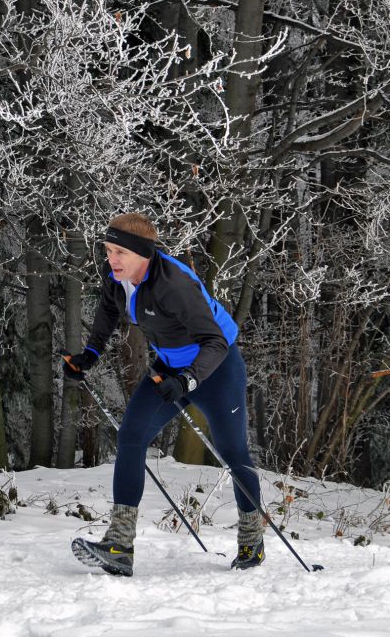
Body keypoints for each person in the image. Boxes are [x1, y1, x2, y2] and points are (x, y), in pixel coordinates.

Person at [64, 212, 264, 577]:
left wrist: (188, 381)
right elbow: (108, 312)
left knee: (233, 452)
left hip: (216, 368)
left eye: (120, 252)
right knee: (131, 437)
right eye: (108, 250)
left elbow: (215, 342)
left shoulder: (175, 285)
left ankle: (252, 541)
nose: (112, 259)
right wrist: (89, 355)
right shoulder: (118, 278)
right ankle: (119, 546)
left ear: (143, 253)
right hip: (169, 368)